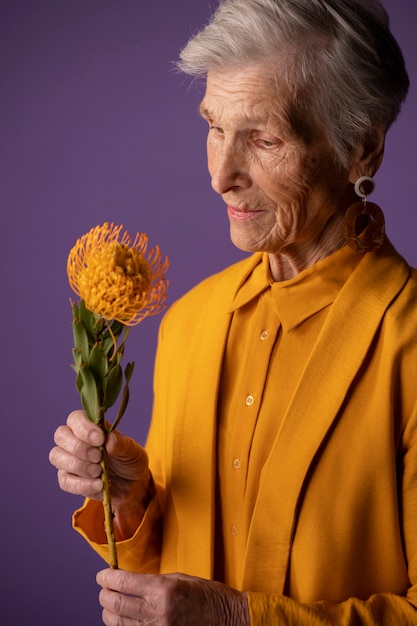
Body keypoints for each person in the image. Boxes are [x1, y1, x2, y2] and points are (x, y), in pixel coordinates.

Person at [49, 0, 417, 624]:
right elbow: (172, 578)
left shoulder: (407, 346)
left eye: (265, 138)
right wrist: (134, 502)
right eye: (214, 127)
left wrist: (241, 617)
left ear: (362, 150)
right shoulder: (189, 322)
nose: (221, 174)